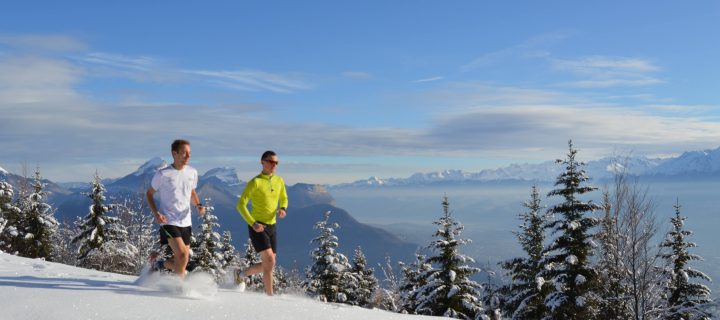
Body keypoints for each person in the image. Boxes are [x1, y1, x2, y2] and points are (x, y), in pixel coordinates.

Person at [146, 139, 205, 279]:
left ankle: (159, 265)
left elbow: (192, 191)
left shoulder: (192, 172)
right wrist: (156, 214)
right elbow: (149, 194)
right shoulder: (163, 174)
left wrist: (198, 205)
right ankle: (179, 289)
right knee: (183, 255)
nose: (188, 156)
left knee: (182, 260)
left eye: (189, 153)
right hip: (168, 220)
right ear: (175, 153)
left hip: (186, 221)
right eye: (184, 153)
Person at [236, 150, 288, 295]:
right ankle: (270, 296)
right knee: (269, 260)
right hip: (257, 226)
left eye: (276, 162)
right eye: (271, 161)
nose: (274, 165)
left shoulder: (279, 180)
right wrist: (253, 223)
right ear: (262, 162)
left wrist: (283, 208)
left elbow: (284, 197)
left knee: (269, 263)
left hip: (272, 225)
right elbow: (240, 205)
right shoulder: (255, 182)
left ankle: (241, 274)